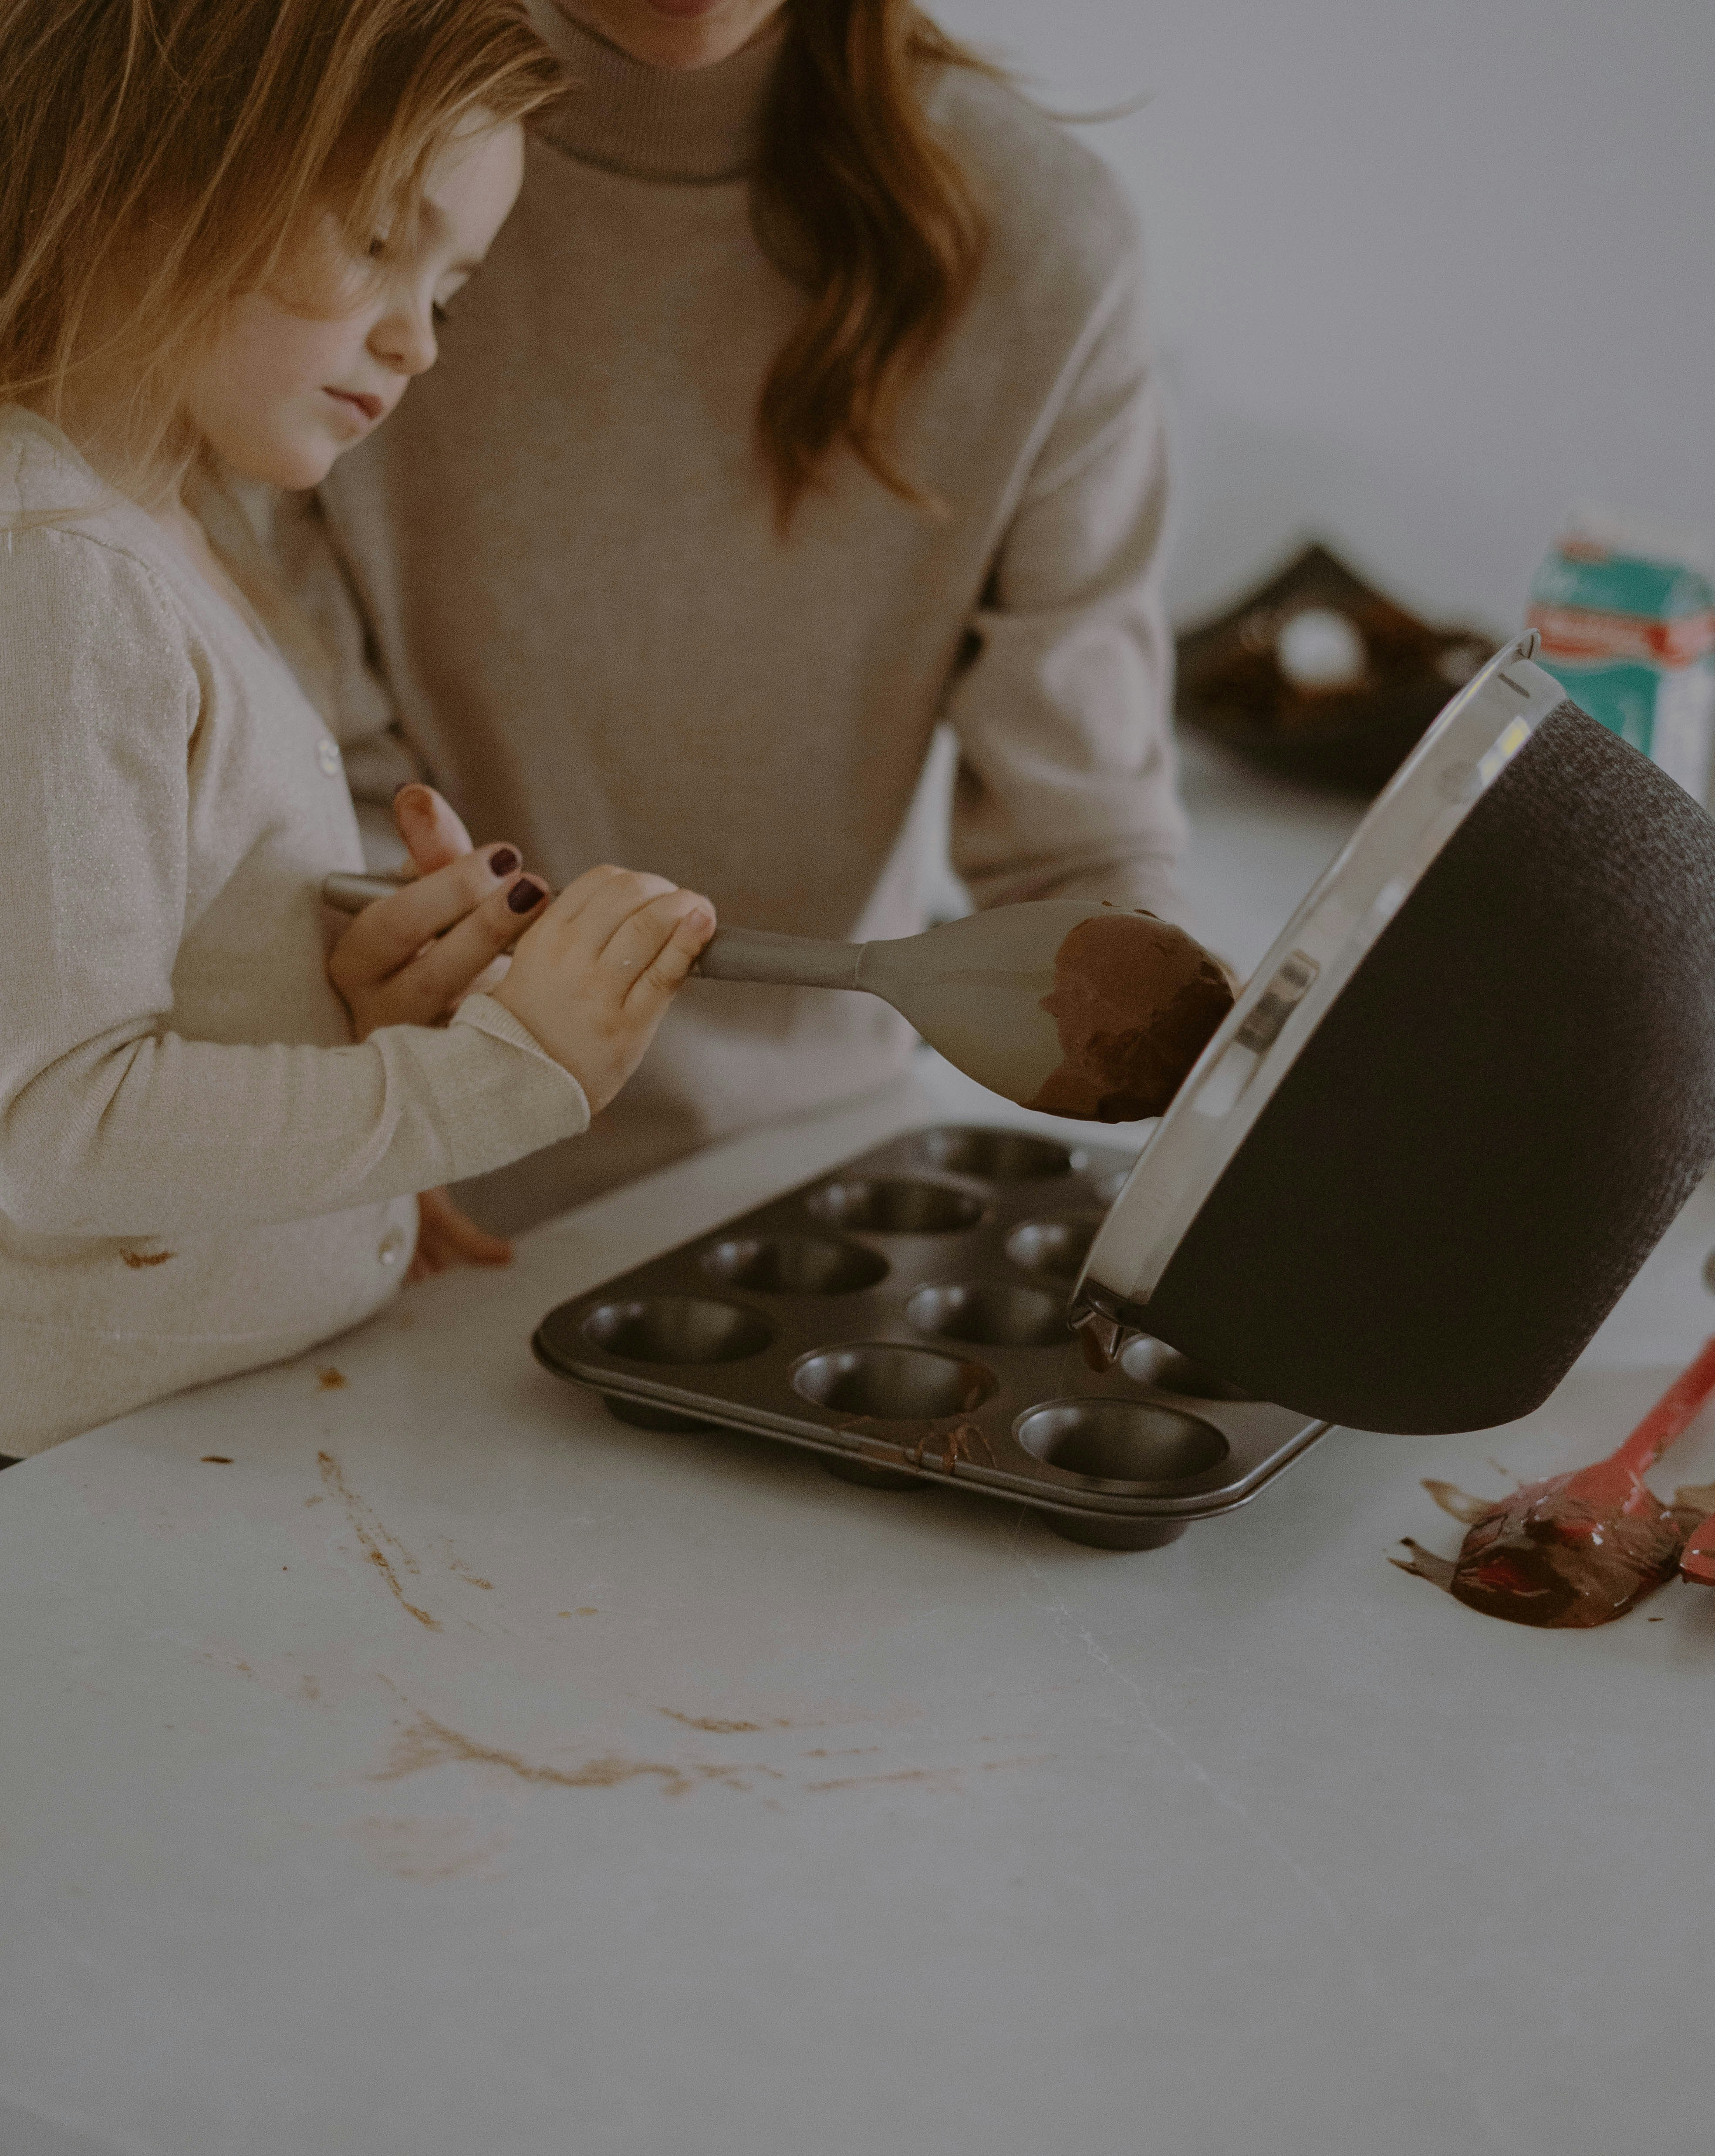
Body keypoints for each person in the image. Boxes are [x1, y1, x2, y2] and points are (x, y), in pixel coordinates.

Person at [302, 0, 1188, 1239]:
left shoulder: (1040, 232)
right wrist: (400, 1112)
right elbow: (304, 813)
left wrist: (1212, 1061)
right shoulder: (308, 148)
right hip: (407, 1175)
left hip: (823, 1188)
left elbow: (1079, 846)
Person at [0, 0, 715, 1455]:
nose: (417, 339)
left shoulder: (173, 526)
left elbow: (148, 989)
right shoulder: (58, 575)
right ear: (153, 158)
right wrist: (492, 1081)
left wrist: (348, 1019)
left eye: (449, 289)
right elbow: (52, 1141)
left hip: (197, 1448)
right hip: (67, 1509)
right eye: (377, 239)